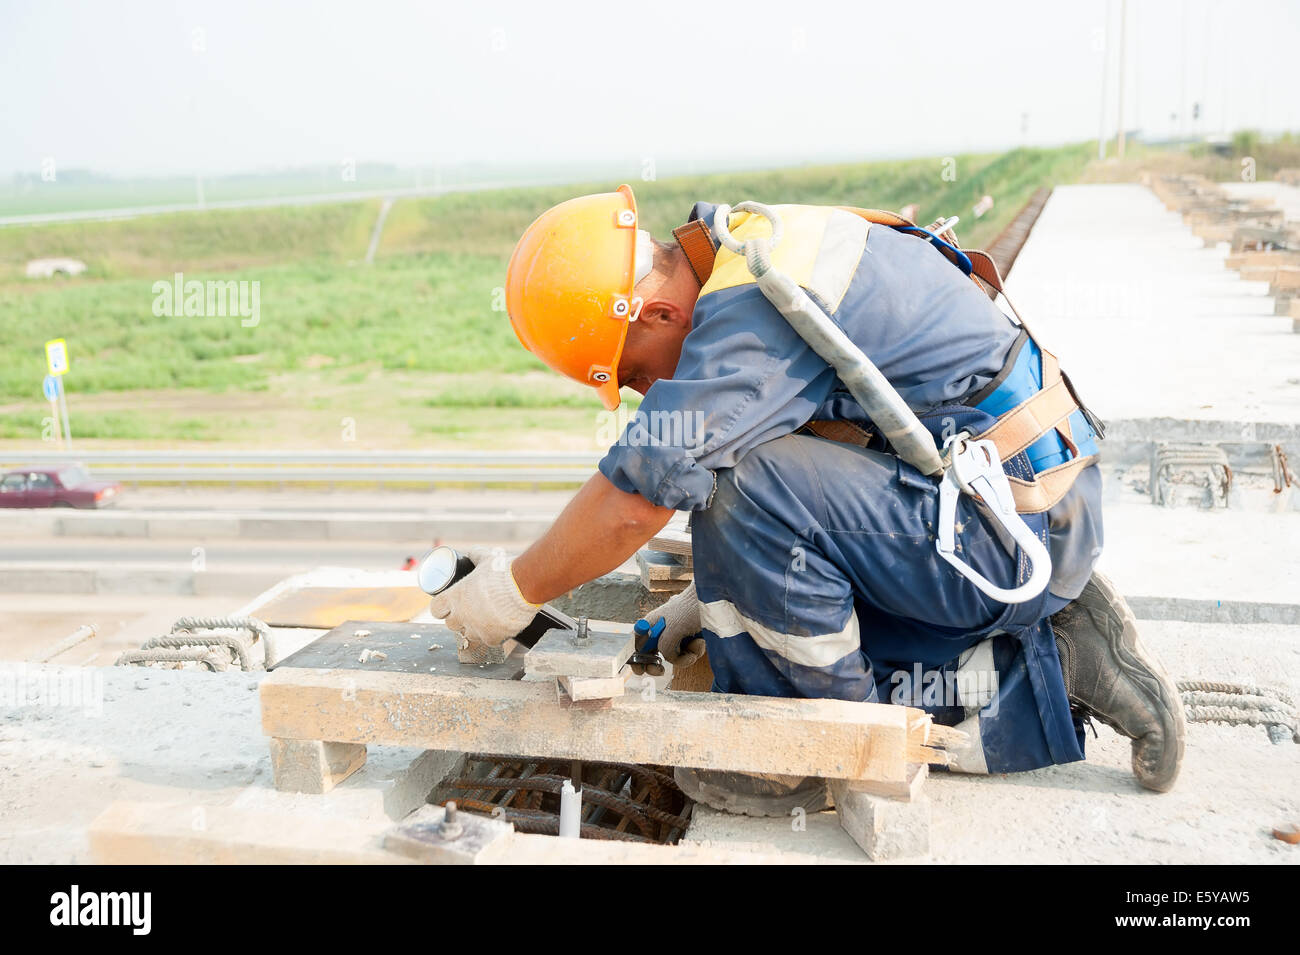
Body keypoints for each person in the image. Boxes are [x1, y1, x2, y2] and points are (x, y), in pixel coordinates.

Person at [430, 185, 1185, 814]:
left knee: (744, 489)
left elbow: (638, 495)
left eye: (632, 375)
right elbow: (836, 466)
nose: (645, 394)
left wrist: (513, 590)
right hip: (1028, 508)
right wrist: (709, 599)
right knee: (757, 529)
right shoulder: (760, 247)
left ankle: (804, 750)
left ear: (656, 315)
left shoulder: (747, 305)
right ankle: (1058, 650)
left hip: (1010, 529)